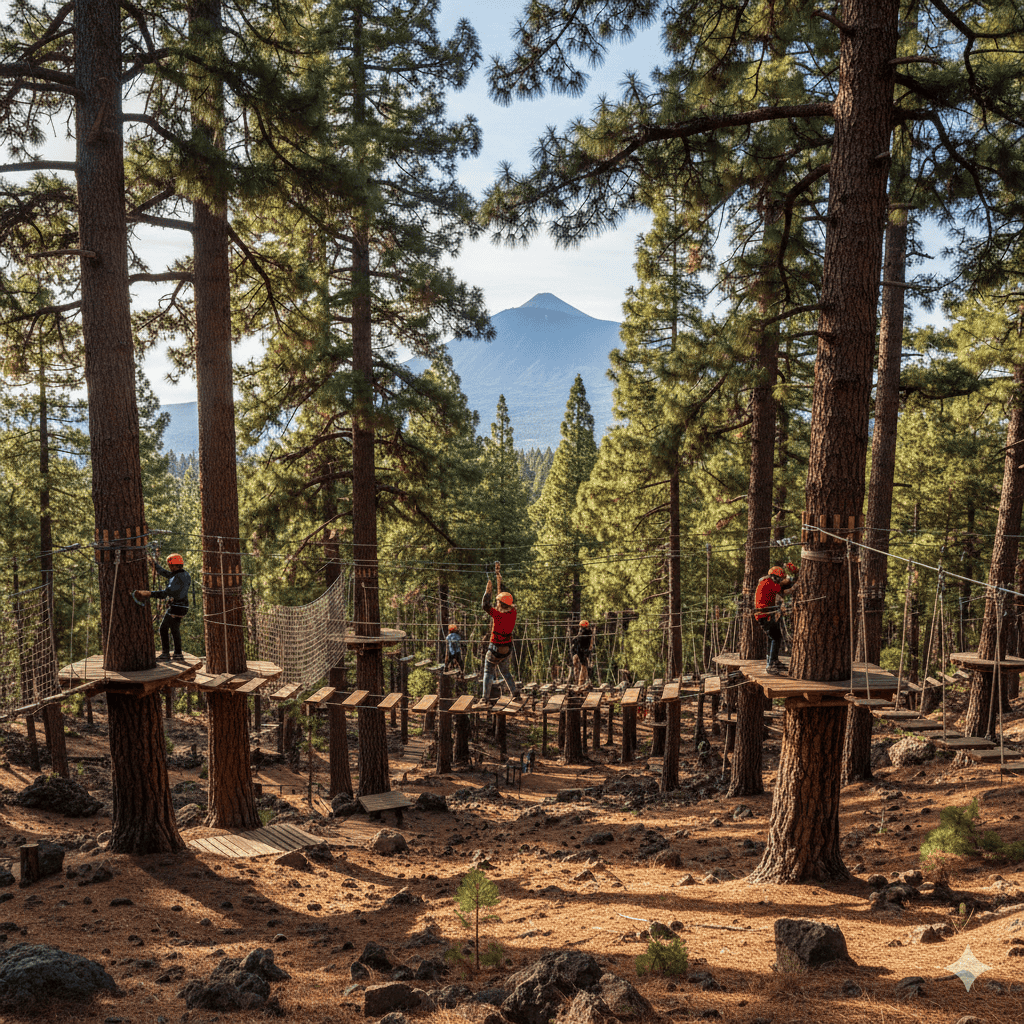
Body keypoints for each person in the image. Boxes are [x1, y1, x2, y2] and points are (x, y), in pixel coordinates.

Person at [135, 553, 192, 661]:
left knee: (163, 628)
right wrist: (154, 564)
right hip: (182, 607)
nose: (169, 568)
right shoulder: (184, 574)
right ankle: (178, 654)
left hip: (175, 607)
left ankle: (166, 654)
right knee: (175, 629)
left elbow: (167, 592)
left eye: (170, 566)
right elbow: (165, 573)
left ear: (174, 565)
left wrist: (150, 594)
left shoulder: (177, 577)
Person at [481, 561, 518, 698]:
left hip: (495, 647)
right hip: (507, 648)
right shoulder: (513, 612)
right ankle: (515, 693)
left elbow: (485, 605)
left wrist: (487, 592)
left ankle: (485, 697)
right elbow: (504, 598)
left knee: (488, 671)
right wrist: (498, 578)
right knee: (505, 672)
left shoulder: (497, 615)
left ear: (500, 604)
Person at [754, 561, 799, 674]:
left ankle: (773, 661)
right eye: (778, 579)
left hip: (766, 615)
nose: (779, 581)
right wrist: (796, 584)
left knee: (773, 638)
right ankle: (771, 664)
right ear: (774, 577)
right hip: (765, 615)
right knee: (776, 638)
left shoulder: (765, 582)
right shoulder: (768, 583)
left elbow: (781, 589)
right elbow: (784, 590)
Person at [571, 619, 593, 687]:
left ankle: (577, 681)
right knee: (584, 667)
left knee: (576, 668)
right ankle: (580, 683)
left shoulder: (579, 634)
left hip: (576, 654)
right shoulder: (588, 633)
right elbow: (590, 646)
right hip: (582, 653)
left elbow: (574, 641)